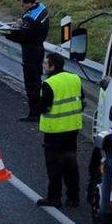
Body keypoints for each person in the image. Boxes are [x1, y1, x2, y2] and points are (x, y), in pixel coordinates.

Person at [36, 53, 84, 208]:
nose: (43, 66)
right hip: (72, 129)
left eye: (45, 64)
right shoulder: (75, 78)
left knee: (54, 166)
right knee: (71, 164)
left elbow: (44, 107)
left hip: (54, 131)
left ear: (52, 66)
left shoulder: (49, 83)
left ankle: (54, 197)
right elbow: (81, 100)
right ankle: (73, 197)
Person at [2, 0, 50, 121]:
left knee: (31, 84)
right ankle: (39, 110)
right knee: (37, 81)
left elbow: (23, 37)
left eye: (22, 5)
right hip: (40, 47)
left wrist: (6, 34)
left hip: (31, 52)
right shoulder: (42, 8)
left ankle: (34, 114)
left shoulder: (30, 18)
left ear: (29, 3)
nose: (21, 8)